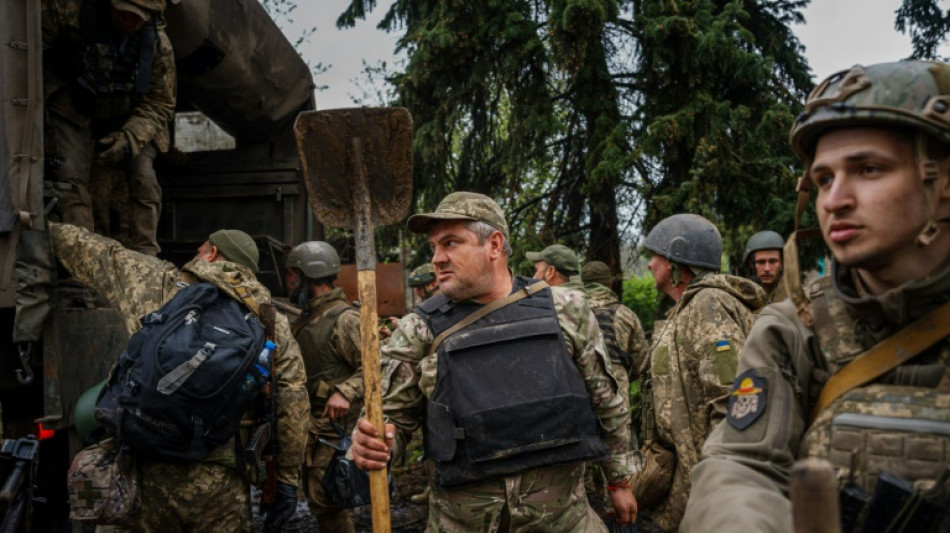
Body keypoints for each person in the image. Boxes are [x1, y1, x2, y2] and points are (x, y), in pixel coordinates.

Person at [681, 60, 950, 533]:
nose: (834, 199)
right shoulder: (795, 329)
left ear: (943, 182)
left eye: (868, 169)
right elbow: (741, 468)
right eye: (823, 179)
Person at [350, 191, 638, 531]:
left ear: (495, 245)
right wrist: (373, 443)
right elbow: (390, 422)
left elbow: (607, 400)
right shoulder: (418, 329)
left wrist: (619, 481)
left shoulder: (566, 309)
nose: (437, 259)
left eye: (451, 243)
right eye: (434, 247)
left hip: (564, 521)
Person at [49, 223, 308, 532]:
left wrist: (44, 225)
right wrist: (287, 482)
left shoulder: (160, 283)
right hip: (220, 488)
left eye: (200, 249)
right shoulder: (270, 322)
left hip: (142, 476)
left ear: (211, 253)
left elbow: (101, 254)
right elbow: (293, 405)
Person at [637, 213, 766, 530]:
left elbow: (734, 397)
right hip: (686, 475)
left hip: (709, 482)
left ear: (675, 260)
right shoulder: (686, 309)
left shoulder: (709, 304)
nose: (650, 264)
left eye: (655, 256)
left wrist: (721, 484)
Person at [42, 0, 175, 256]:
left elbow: (161, 102)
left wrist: (131, 137)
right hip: (76, 105)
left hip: (132, 117)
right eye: (123, 14)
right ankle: (84, 259)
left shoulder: (158, 45)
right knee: (70, 180)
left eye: (137, 18)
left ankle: (147, 258)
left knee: (145, 180)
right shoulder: (70, 14)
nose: (128, 23)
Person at [283, 241, 363, 532]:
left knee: (325, 496)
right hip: (314, 424)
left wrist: (346, 391)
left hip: (337, 426)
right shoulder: (305, 319)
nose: (289, 282)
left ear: (308, 276)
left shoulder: (345, 319)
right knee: (319, 496)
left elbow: (378, 366)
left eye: (293, 275)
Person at [581, 261, 649, 420]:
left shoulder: (571, 314)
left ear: (582, 284)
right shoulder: (626, 315)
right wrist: (623, 374)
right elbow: (643, 361)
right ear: (609, 284)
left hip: (582, 403)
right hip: (618, 405)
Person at [743, 230, 787, 303]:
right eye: (761, 262)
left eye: (773, 261)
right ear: (751, 264)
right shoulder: (742, 295)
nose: (767, 268)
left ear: (782, 263)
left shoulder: (794, 295)